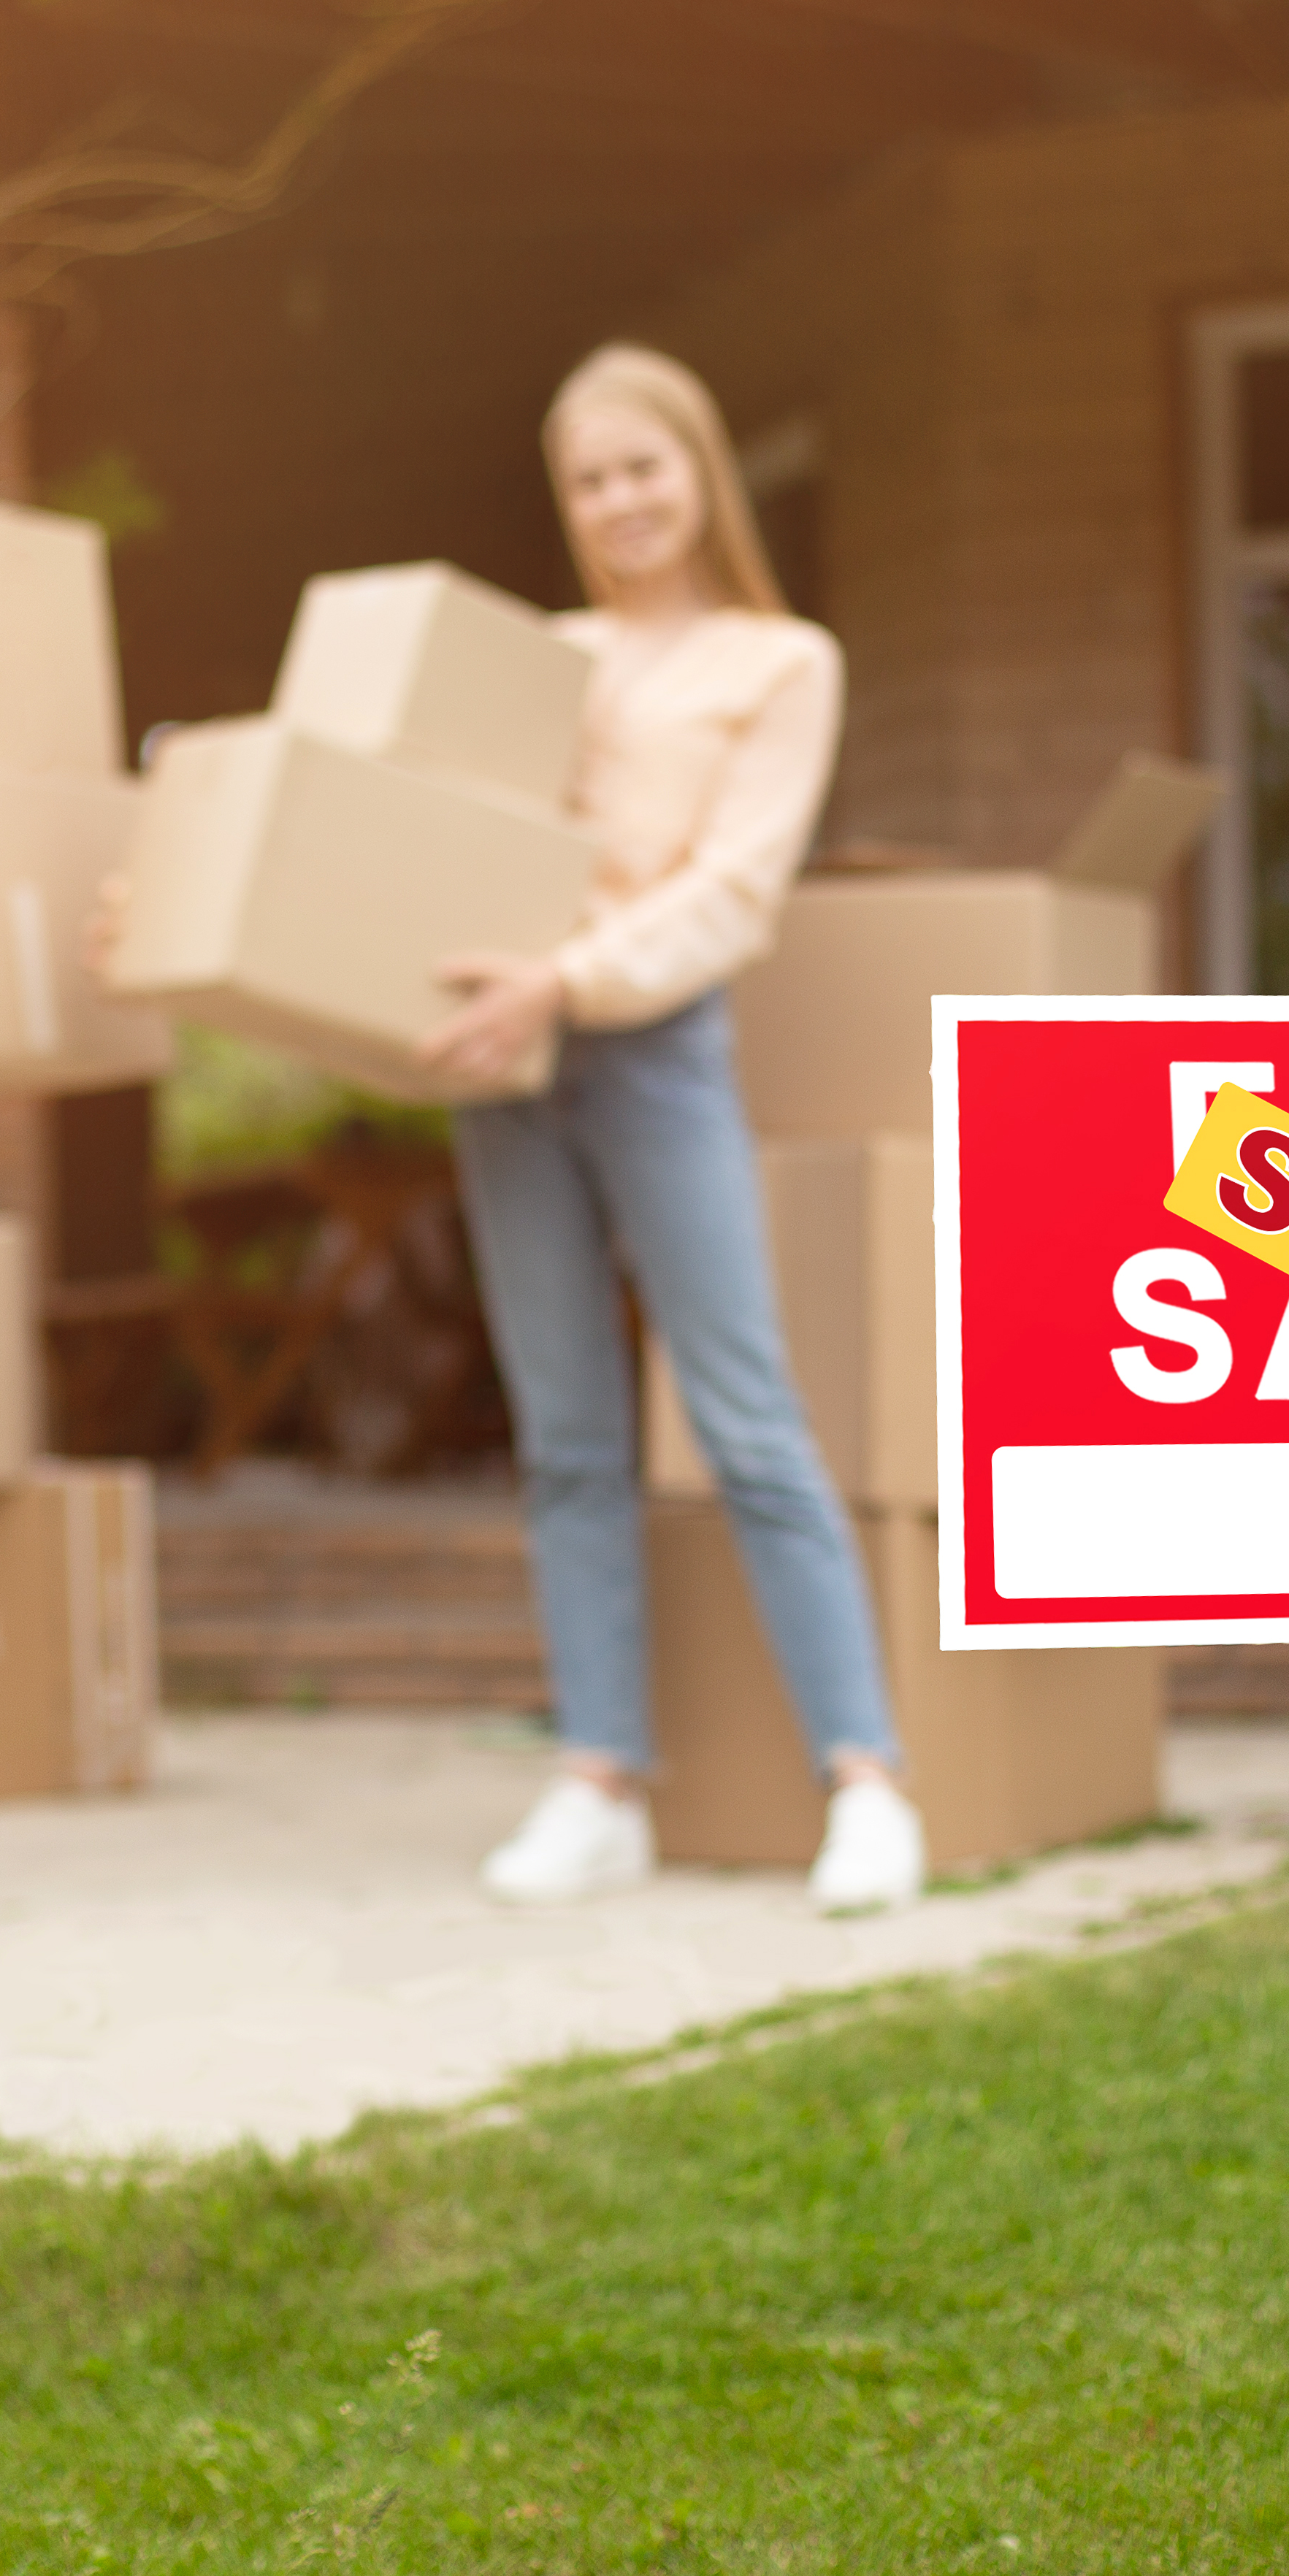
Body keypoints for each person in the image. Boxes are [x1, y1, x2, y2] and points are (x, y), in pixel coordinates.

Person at [423, 342, 927, 1914]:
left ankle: (865, 1780)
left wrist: (565, 977)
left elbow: (734, 891)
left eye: (644, 466)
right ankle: (599, 1779)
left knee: (743, 1410)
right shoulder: (536, 656)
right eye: (588, 479)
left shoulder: (781, 662)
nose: (620, 501)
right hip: (500, 1054)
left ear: (703, 469)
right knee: (567, 1433)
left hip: (648, 1048)